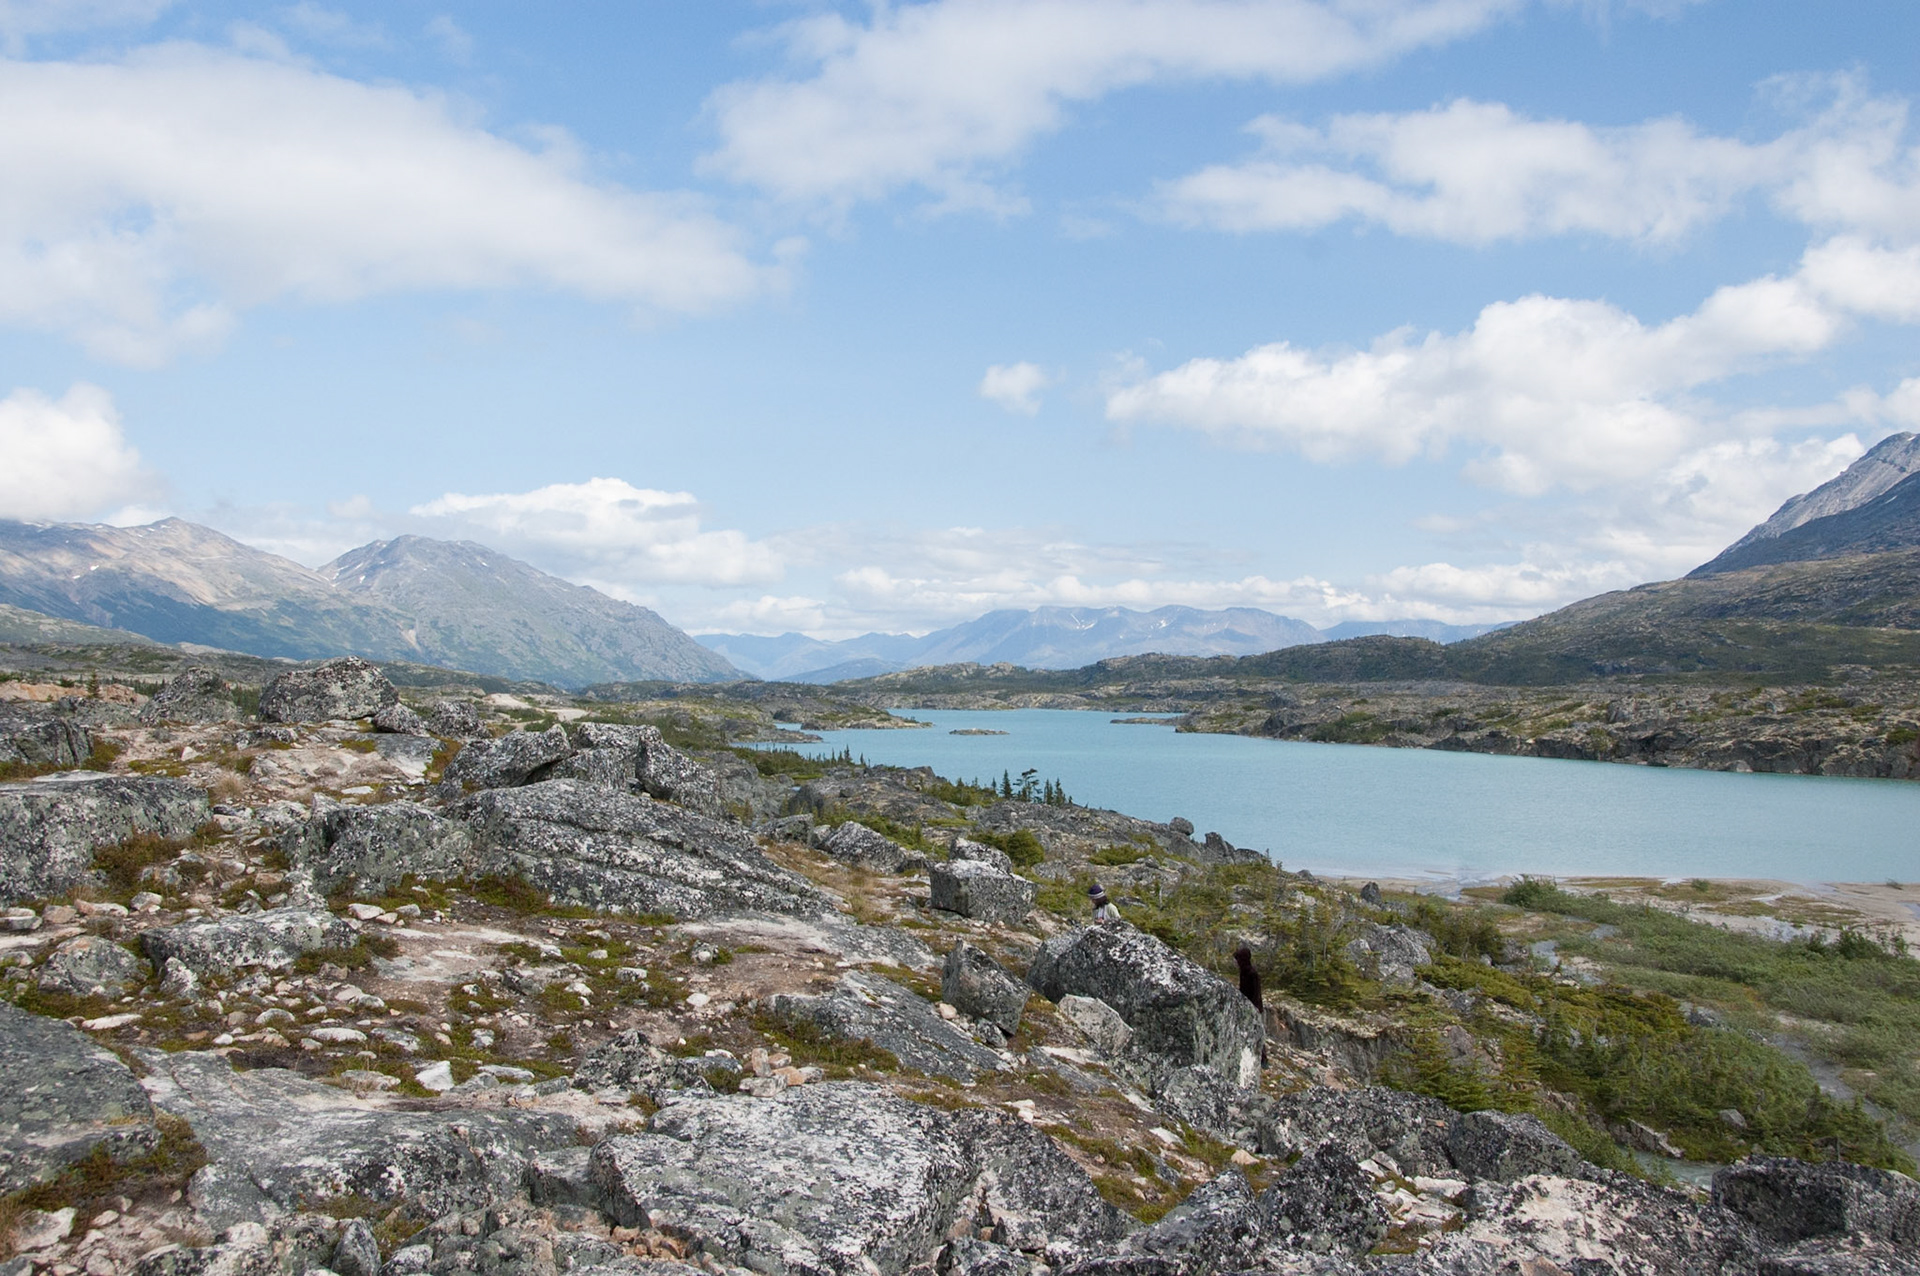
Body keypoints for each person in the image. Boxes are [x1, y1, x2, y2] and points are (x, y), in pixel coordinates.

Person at [1232, 944, 1263, 1011]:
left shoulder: (1252, 973)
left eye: (1238, 959)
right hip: (1246, 1005)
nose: (1237, 962)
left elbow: (1256, 994)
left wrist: (1254, 1008)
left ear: (1243, 960)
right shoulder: (1243, 972)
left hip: (1253, 1008)